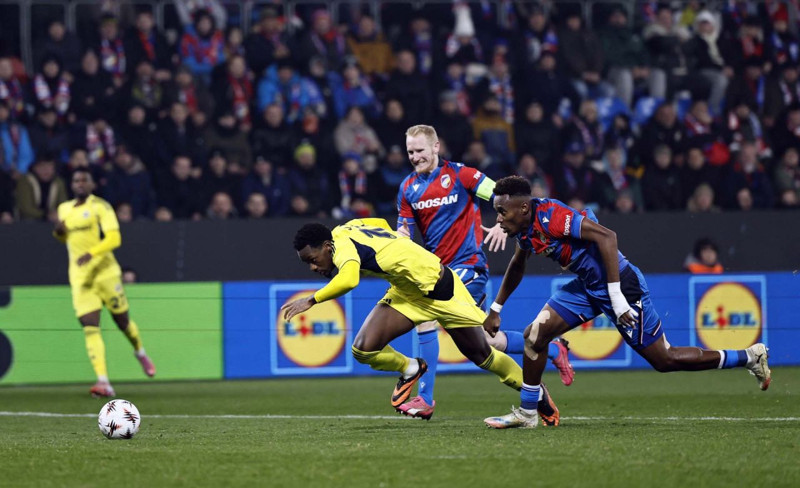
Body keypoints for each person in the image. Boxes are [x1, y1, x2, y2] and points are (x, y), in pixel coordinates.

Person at [482, 176, 771, 429]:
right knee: (535, 335)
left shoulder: (551, 216)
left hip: (621, 284)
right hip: (586, 287)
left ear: (522, 208)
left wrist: (617, 296)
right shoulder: (524, 229)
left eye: (501, 211)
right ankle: (528, 413)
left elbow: (608, 237)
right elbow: (518, 264)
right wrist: (496, 308)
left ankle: (749, 357)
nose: (497, 218)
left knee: (664, 359)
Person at [283, 219, 560, 424]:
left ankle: (535, 394)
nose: (314, 267)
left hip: (441, 288)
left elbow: (350, 278)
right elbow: (379, 223)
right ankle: (411, 368)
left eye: (313, 259)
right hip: (406, 292)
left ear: (327, 246)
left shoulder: (342, 249)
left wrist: (312, 300)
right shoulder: (347, 227)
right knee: (363, 348)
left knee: (482, 353)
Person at [395, 125, 573, 420]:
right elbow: (405, 228)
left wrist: (503, 225)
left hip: (468, 266)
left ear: (436, 146)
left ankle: (425, 399)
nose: (415, 157)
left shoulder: (461, 175)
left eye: (420, 151)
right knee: (487, 341)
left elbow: (502, 197)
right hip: (436, 271)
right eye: (410, 152)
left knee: (425, 318)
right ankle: (553, 350)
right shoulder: (407, 188)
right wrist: (400, 240)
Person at [53, 169, 156, 397]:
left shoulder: (101, 206)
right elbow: (65, 238)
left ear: (92, 184)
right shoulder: (64, 209)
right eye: (76, 180)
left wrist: (92, 252)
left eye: (84, 180)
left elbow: (114, 238)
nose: (80, 183)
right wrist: (59, 233)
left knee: (122, 322)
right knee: (90, 327)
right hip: (81, 278)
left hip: (105, 273)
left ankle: (139, 351)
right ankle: (103, 381)